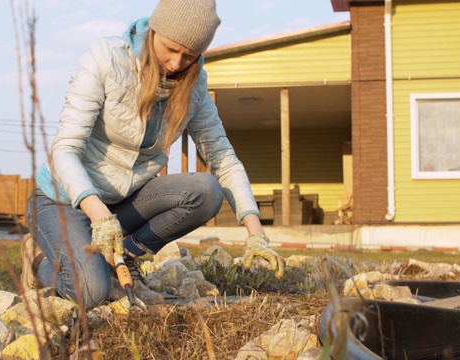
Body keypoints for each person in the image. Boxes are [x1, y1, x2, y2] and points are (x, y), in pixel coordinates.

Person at [21, 0, 285, 309]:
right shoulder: (106, 59)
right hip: (63, 199)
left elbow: (223, 159)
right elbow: (65, 149)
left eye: (189, 55)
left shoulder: (194, 85)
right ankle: (38, 259)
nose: (175, 64)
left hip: (121, 205)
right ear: (154, 31)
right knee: (92, 293)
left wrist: (256, 233)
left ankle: (126, 256)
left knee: (206, 191)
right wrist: (100, 217)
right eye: (170, 49)